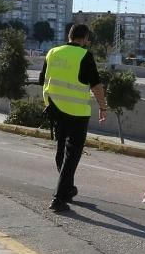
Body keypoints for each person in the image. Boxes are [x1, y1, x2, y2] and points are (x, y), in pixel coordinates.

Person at [41, 23, 108, 212]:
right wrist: (103, 107)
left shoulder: (52, 52)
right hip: (77, 112)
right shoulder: (84, 55)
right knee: (72, 155)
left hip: (54, 108)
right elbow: (96, 85)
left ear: (69, 36)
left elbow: (43, 80)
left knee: (61, 151)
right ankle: (59, 198)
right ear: (85, 38)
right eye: (88, 39)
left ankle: (67, 189)